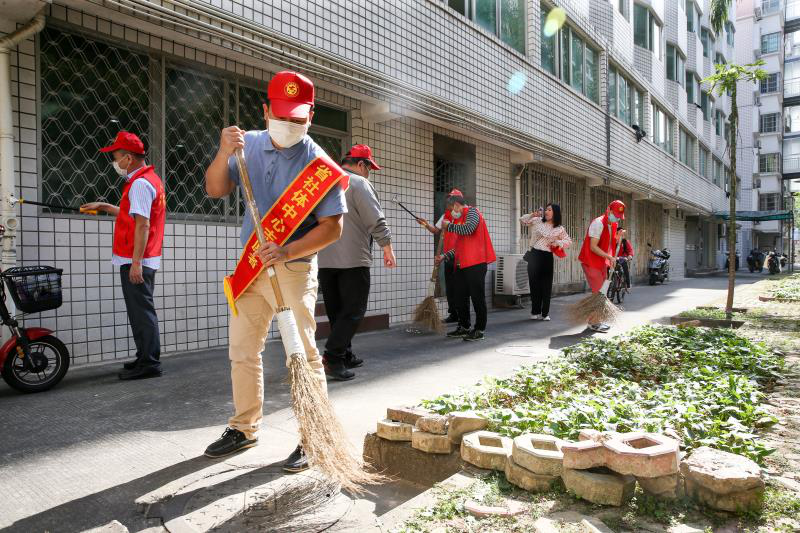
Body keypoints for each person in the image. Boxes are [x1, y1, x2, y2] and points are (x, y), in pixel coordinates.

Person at [202, 71, 347, 474]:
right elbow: (215, 189)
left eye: (297, 118)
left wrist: (286, 250)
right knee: (243, 350)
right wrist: (222, 153)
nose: (289, 125)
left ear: (310, 117)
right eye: (281, 116)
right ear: (266, 111)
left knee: (302, 354)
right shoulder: (246, 144)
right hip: (251, 266)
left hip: (293, 267)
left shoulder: (319, 165)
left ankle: (313, 436)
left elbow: (332, 228)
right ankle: (243, 427)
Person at [82, 131, 166, 381]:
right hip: (139, 257)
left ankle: (149, 363)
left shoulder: (139, 184)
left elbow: (142, 225)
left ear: (128, 158)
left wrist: (136, 263)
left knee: (142, 312)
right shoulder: (149, 179)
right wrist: (105, 206)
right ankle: (144, 357)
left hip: (136, 259)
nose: (114, 162)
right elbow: (135, 214)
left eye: (116, 156)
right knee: (139, 311)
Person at [317, 144, 396, 381]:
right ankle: (333, 357)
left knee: (337, 311)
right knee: (353, 311)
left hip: (324, 260)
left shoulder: (325, 181)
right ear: (361, 164)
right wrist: (387, 248)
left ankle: (345, 354)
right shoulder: (359, 183)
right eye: (369, 168)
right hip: (353, 260)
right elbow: (375, 219)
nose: (369, 173)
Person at [435, 192, 496, 341]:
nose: (451, 213)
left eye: (451, 209)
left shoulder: (473, 212)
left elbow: (469, 229)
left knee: (477, 297)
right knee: (460, 296)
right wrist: (444, 256)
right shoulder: (460, 220)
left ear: (457, 205)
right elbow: (459, 247)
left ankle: (479, 329)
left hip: (476, 263)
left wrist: (449, 226)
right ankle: (464, 326)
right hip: (462, 264)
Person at [577, 200, 625, 333]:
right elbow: (593, 246)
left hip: (602, 262)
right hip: (591, 261)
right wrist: (609, 257)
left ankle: (594, 320)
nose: (617, 218)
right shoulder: (598, 223)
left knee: (601, 292)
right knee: (599, 293)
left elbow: (610, 241)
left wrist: (618, 237)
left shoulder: (613, 224)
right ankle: (594, 323)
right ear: (608, 210)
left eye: (619, 217)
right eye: (615, 215)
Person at [417, 189, 463, 324]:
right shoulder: (445, 216)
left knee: (460, 287)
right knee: (450, 286)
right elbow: (435, 230)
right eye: (449, 200)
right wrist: (425, 224)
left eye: (452, 200)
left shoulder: (464, 216)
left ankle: (462, 315)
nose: (449, 202)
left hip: (461, 256)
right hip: (448, 256)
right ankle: (453, 314)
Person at [520, 203, 572, 321]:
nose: (546, 212)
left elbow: (568, 241)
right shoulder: (537, 221)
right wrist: (532, 214)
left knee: (546, 285)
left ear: (555, 213)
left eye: (549, 210)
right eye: (546, 209)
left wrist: (558, 243)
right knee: (534, 285)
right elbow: (522, 220)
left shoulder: (559, 228)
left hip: (547, 256)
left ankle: (545, 313)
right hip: (534, 254)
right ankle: (535, 311)